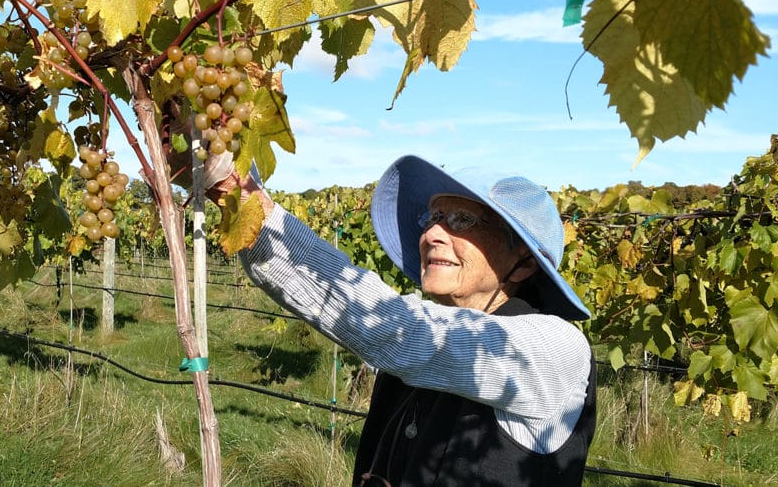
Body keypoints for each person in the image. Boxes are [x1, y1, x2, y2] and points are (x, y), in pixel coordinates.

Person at [208, 154, 596, 486]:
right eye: (435, 216)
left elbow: (398, 329)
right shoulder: (436, 325)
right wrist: (241, 207)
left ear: (525, 263)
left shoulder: (556, 348)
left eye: (463, 220)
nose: (432, 234)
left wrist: (245, 197)